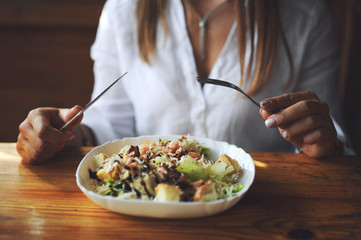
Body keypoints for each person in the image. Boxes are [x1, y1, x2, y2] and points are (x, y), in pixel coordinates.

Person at [17, 0, 354, 165]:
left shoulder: (303, 15)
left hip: (263, 215)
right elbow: (109, 129)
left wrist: (325, 143)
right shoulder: (124, 10)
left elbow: (332, 139)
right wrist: (63, 133)